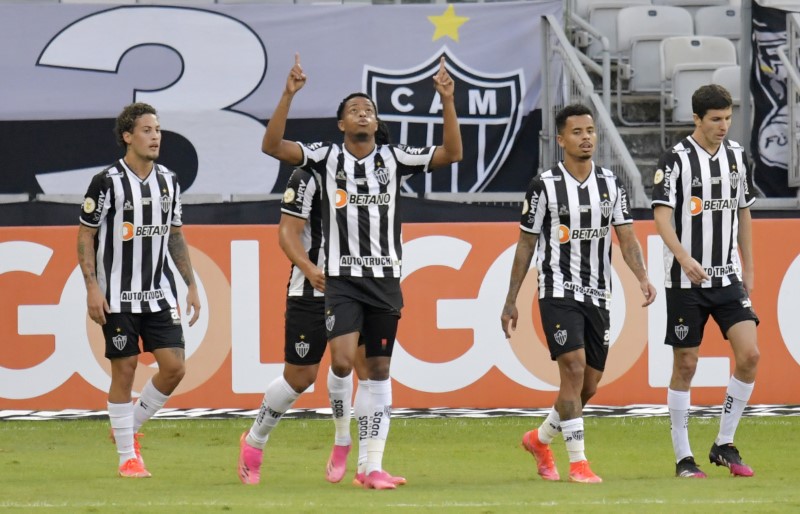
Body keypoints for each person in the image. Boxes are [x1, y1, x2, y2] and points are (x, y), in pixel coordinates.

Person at [261, 53, 462, 490]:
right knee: (341, 360)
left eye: (368, 108)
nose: (363, 112)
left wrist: (447, 100)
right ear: (341, 124)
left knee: (379, 369)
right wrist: (288, 95)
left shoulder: (394, 158)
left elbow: (452, 153)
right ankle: (338, 437)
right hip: (340, 279)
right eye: (354, 109)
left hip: (384, 280)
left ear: (376, 122)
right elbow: (273, 147)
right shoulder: (324, 158)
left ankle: (371, 467)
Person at [501, 103, 656, 484]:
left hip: (599, 294)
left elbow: (626, 236)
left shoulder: (611, 184)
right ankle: (579, 464)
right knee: (571, 368)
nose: (586, 137)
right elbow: (526, 244)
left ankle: (539, 440)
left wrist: (642, 276)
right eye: (577, 132)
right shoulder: (544, 186)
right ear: (561, 140)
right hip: (557, 289)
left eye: (590, 130)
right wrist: (511, 299)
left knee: (587, 385)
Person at [237, 167, 398, 487]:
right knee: (299, 377)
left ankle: (366, 465)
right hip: (312, 289)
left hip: (360, 287)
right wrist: (309, 269)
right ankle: (254, 440)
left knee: (366, 369)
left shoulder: (374, 171)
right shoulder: (308, 175)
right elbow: (287, 232)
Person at [77, 102, 201, 478]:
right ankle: (127, 458)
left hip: (158, 294)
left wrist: (191, 284)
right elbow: (86, 235)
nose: (156, 136)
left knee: (175, 368)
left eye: (158, 130)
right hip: (116, 295)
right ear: (127, 136)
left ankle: (127, 427)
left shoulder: (169, 181)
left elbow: (175, 234)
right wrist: (92, 287)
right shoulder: (106, 182)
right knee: (125, 370)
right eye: (147, 130)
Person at [651, 84, 759, 479]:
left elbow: (743, 212)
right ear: (696, 118)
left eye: (728, 118)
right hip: (685, 280)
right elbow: (661, 216)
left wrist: (749, 268)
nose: (723, 126)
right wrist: (684, 257)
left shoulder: (737, 157)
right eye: (715, 119)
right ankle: (684, 457)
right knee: (686, 363)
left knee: (750, 356)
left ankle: (724, 443)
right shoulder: (675, 160)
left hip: (728, 276)